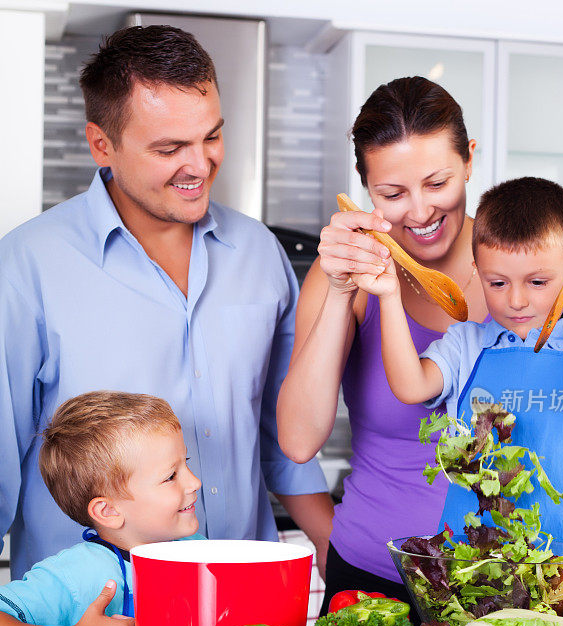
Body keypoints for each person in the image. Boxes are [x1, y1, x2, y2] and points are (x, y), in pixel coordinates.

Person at [276, 77, 563, 613]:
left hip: (524, 585)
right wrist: (339, 290)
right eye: (392, 194)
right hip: (375, 572)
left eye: (437, 182)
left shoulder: (542, 264)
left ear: (469, 160)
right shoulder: (350, 278)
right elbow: (298, 442)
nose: (419, 212)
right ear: (365, 188)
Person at [0, 25, 333, 581]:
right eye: (169, 148)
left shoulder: (259, 253)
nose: (200, 165)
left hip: (245, 604)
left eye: (211, 137)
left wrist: (337, 549)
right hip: (95, 624)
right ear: (102, 144)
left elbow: (286, 439)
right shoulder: (27, 266)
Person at [376, 176, 563, 552]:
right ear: (478, 270)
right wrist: (388, 295)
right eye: (498, 283)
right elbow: (409, 386)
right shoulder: (465, 345)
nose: (516, 300)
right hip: (473, 554)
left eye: (537, 282)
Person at [0, 391, 206, 626]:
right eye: (171, 476)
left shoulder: (198, 548)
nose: (195, 483)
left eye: (186, 464)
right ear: (108, 511)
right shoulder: (75, 574)